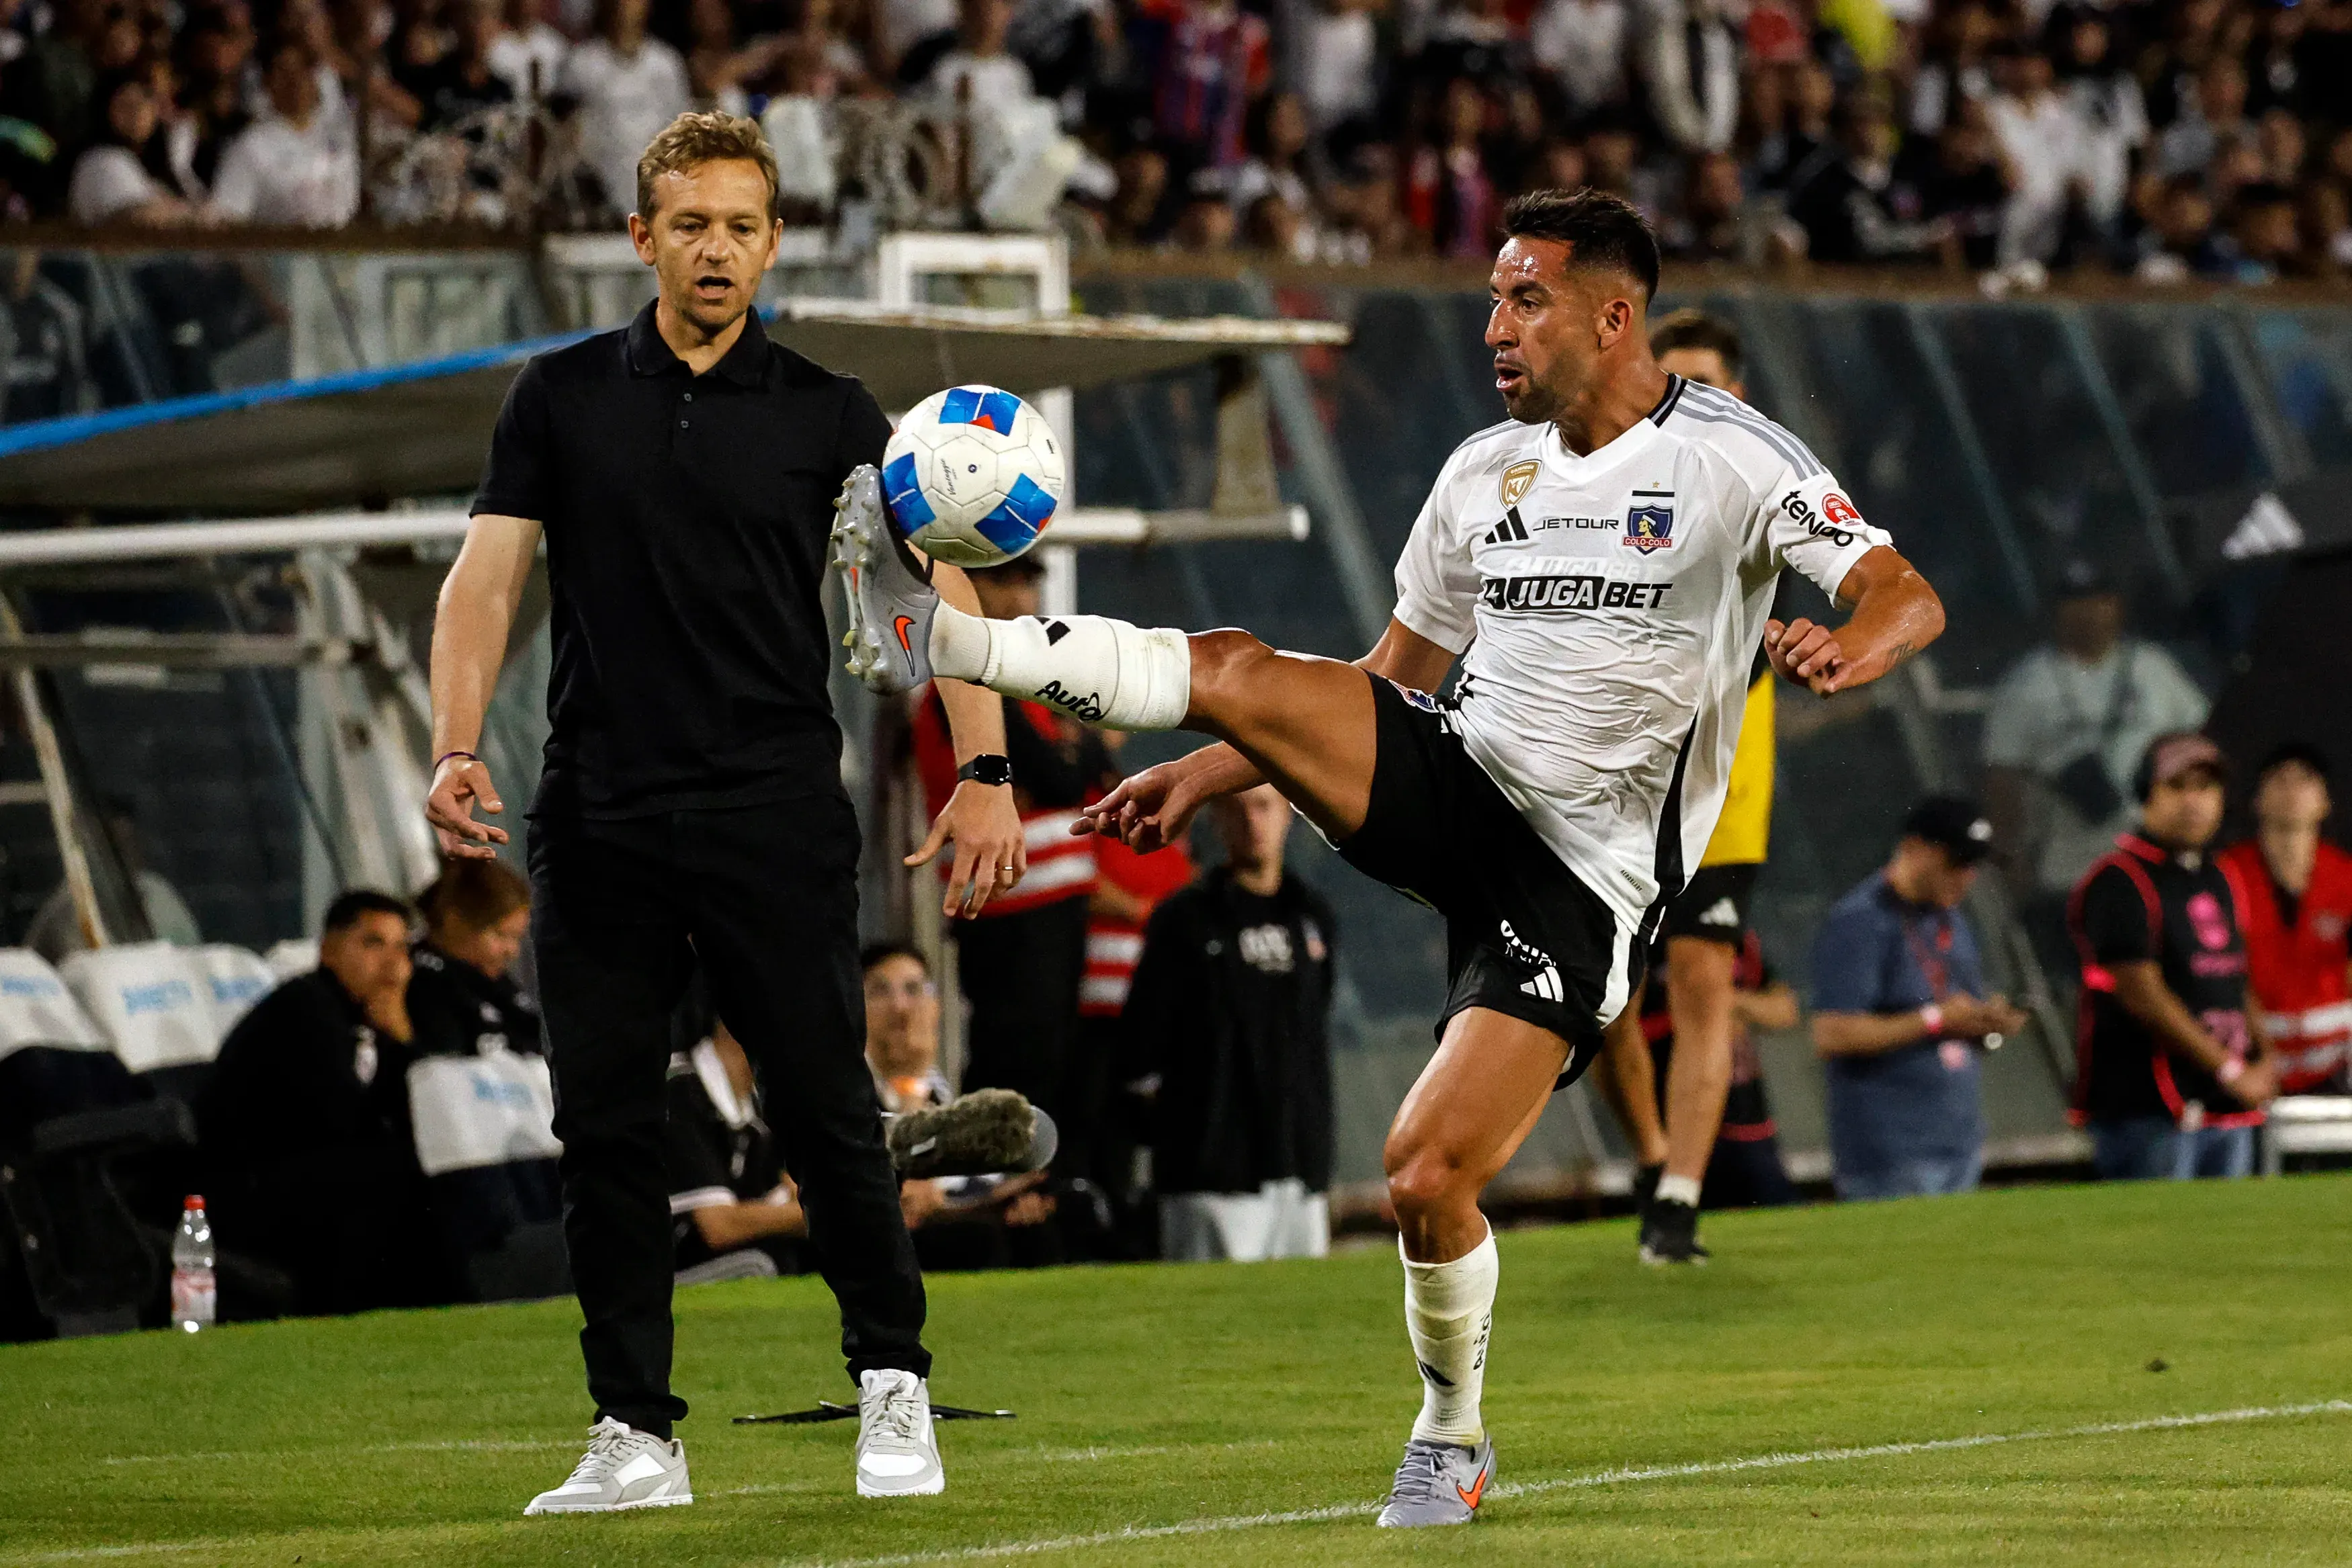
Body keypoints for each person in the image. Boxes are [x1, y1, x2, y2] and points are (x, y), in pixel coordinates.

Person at [832, 186, 1946, 1526]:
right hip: (1456, 779)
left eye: (1525, 299)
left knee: (1424, 1176)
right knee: (1237, 666)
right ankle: (939, 639)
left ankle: (1452, 1428)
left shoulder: (1733, 458)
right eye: (1492, 298)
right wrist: (1209, 765)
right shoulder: (1483, 472)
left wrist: (1853, 642)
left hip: (1580, 877)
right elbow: (1389, 673)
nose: (1496, 327)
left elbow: (1902, 590)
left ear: (1613, 316)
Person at [427, 111, 1024, 1511]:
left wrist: (985, 768)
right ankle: (635, 1432)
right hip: (599, 813)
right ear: (642, 237)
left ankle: (894, 1382)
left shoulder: (832, 412)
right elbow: (485, 580)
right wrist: (454, 742)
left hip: (771, 808)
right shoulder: (559, 395)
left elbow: (935, 588)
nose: (716, 248)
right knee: (604, 1130)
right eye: (690, 223)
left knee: (825, 1108)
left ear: (773, 243)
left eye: (742, 226)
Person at [1595, 307, 1783, 1263]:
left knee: (1705, 978)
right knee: (1603, 993)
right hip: (1616, 772)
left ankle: (1676, 1198)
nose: (1685, 398)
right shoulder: (1602, 481)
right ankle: (1649, 1153)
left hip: (1720, 776)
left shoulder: (1765, 483)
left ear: (1737, 392)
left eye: (1704, 380)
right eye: (1670, 379)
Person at [911, 553, 1105, 1125]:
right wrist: (1070, 753)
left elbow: (1086, 766)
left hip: (1051, 905)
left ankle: (1025, 1171)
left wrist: (1071, 757)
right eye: (1003, 581)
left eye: (1028, 582)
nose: (1020, 597)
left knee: (1050, 1065)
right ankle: (990, 1170)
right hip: (1009, 908)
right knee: (1013, 1059)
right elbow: (1063, 776)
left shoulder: (1024, 685)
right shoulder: (969, 686)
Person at [196, 891, 442, 1316]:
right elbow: (344, 1121)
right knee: (389, 1172)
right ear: (329, 950)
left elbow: (417, 1113)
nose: (392, 963)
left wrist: (400, 1038)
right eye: (373, 944)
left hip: (304, 1169)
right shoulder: (305, 1008)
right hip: (245, 1183)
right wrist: (395, 1043)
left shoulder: (368, 1014)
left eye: (401, 948)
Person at [1124, 783, 1338, 1262]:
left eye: (1264, 807)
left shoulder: (1312, 916)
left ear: (1288, 814)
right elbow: (1141, 1045)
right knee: (1209, 1306)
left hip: (1299, 1166)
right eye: (1237, 809)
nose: (1252, 822)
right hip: (1211, 1171)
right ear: (1217, 818)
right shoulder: (1185, 919)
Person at [2068, 733, 2278, 1180]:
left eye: (2206, 787)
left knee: (2233, 1226)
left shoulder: (2219, 875)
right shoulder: (2120, 878)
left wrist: (2264, 1058)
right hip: (2150, 1109)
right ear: (2147, 794)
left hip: (2225, 1102)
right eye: (2177, 787)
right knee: (2156, 1226)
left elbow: (2235, 978)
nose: (2193, 801)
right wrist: (2230, 1069)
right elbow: (2142, 995)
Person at [1808, 797, 2026, 1200]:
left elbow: (1955, 1009)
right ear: (1913, 849)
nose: (1966, 877)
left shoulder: (1950, 919)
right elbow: (1832, 1034)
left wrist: (1985, 1021)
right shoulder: (1862, 920)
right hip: (1891, 1152)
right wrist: (1935, 1019)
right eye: (1956, 862)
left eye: (1974, 865)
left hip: (1958, 1140)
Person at [1982, 559, 2210, 943]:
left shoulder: (2153, 668)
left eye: (2098, 599)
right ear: (2056, 612)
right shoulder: (2026, 685)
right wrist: (2010, 858)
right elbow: (2001, 778)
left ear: (2117, 605)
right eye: (2074, 602)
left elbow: (2201, 740)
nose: (2087, 612)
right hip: (2072, 866)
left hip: (2155, 851)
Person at [862, 942, 1058, 1270]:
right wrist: (911, 1082)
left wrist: (1006, 1196)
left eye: (913, 990)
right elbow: (896, 1181)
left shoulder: (943, 1092)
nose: (900, 1007)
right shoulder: (845, 1093)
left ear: (935, 1007)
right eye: (881, 992)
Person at [2215, 744, 2352, 1094]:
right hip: (2248, 1065)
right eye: (2279, 779)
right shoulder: (2225, 875)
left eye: (2305, 779)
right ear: (2256, 800)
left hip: (2335, 1067)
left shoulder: (2346, 877)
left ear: (2325, 801)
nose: (2292, 790)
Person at [1639, 927, 1801, 1208]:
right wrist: (1705, 1014)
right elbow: (1628, 1033)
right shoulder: (1644, 943)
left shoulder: (1729, 934)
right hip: (1676, 1128)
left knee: (1777, 1211)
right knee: (1680, 1212)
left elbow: (1784, 1010)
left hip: (1749, 1123)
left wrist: (1719, 1003)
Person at [666, 1018, 808, 1282]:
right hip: (659, 1272)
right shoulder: (679, 1089)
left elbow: (784, 1190)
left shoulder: (755, 1106)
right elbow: (717, 1227)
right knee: (760, 1264)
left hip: (722, 1258)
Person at [557, 0, 691, 220]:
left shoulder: (666, 63)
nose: (626, 7)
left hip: (657, 189)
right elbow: (566, 132)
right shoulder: (582, 64)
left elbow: (681, 130)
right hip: (599, 196)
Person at [28, 795, 201, 961]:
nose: (127, 855)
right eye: (116, 848)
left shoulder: (158, 892)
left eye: (131, 842)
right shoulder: (77, 903)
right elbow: (92, 969)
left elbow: (190, 958)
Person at [209, 42, 361, 226]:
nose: (295, 81)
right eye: (284, 72)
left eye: (302, 70)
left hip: (341, 242)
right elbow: (227, 216)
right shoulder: (251, 146)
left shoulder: (339, 137)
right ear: (267, 82)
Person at [408, 857, 540, 1059]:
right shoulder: (422, 982)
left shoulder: (492, 981)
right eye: (501, 935)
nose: (512, 951)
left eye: (516, 938)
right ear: (454, 922)